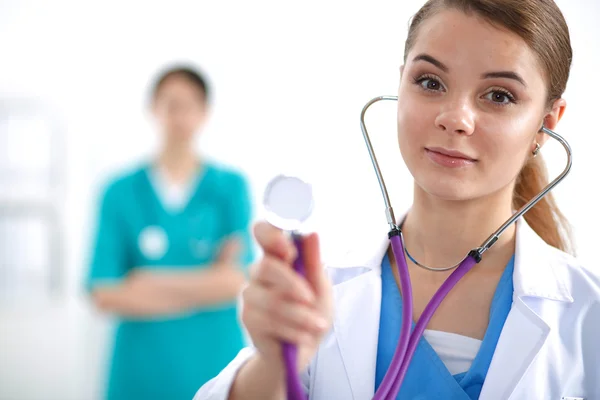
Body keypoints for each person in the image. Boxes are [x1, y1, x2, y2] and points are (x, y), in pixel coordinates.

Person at [193, 0, 600, 399]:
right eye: (430, 82)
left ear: (545, 125)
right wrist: (274, 363)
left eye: (498, 95)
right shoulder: (320, 291)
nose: (455, 118)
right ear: (401, 84)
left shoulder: (587, 314)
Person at [86, 65, 255, 400]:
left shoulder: (228, 189)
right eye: (170, 105)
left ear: (204, 112)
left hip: (214, 365)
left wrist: (144, 281)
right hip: (140, 373)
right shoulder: (119, 192)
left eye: (189, 105)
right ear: (153, 108)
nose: (180, 117)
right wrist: (206, 281)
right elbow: (104, 292)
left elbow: (234, 281)